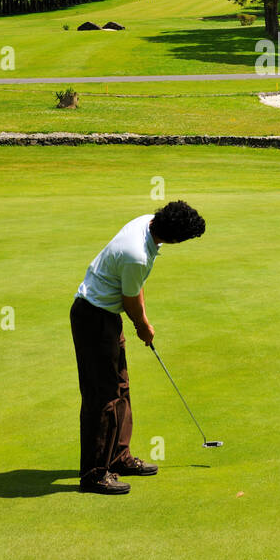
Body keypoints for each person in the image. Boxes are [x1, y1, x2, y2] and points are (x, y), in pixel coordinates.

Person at [69, 201, 206, 494]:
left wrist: (142, 319)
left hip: (104, 316)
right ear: (175, 237)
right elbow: (130, 298)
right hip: (94, 318)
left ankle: (118, 457)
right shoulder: (137, 254)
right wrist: (143, 326)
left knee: (120, 387)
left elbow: (135, 286)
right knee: (103, 397)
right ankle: (94, 474)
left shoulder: (148, 223)